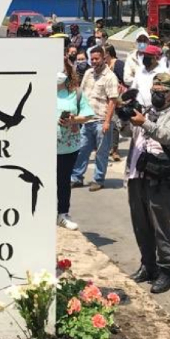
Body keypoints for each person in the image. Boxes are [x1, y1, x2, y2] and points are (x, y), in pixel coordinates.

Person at [126, 72, 170, 294]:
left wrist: (145, 124)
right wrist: (123, 114)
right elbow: (127, 132)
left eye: (160, 92)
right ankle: (148, 265)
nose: (155, 95)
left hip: (160, 178)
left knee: (161, 227)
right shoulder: (146, 112)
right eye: (153, 91)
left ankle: (166, 270)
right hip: (136, 175)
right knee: (140, 225)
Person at [71, 46, 119, 192]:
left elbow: (112, 100)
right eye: (91, 59)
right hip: (86, 120)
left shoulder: (110, 77)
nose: (93, 61)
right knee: (82, 150)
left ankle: (98, 179)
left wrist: (106, 121)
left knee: (101, 153)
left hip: (101, 121)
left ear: (104, 58)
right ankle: (76, 178)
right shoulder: (88, 73)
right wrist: (76, 116)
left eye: (96, 59)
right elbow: (81, 94)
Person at [56, 61, 95, 231]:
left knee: (63, 181)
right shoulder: (39, 90)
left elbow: (87, 115)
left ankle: (63, 214)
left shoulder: (75, 93)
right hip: (43, 147)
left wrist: (73, 119)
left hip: (68, 146)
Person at [130, 44, 168, 108]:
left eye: (148, 57)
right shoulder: (140, 70)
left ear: (155, 58)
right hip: (138, 107)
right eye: (144, 56)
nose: (145, 59)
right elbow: (134, 87)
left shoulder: (163, 73)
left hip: (154, 110)